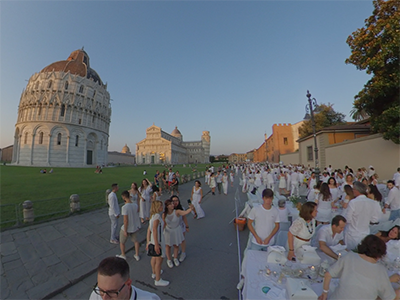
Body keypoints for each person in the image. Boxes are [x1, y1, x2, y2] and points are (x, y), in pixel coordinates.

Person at [318, 235, 400, 300]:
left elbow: (328, 274)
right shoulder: (380, 270)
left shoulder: (350, 256)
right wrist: (389, 281)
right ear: (380, 254)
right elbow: (390, 297)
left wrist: (325, 293)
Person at [89, 256, 161, 300]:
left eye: (111, 292)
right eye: (101, 290)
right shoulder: (96, 295)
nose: (104, 298)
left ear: (128, 284)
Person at [344, 181, 381, 250]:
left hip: (352, 233)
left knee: (351, 253)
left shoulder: (353, 202)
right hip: (365, 233)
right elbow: (375, 219)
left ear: (357, 191)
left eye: (353, 189)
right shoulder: (373, 203)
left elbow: (347, 219)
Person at [163, 199, 194, 268]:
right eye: (170, 204)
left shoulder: (177, 212)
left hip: (176, 230)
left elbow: (184, 213)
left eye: (172, 204)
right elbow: (164, 224)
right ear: (167, 206)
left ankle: (175, 258)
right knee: (168, 246)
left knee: (176, 245)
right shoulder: (164, 214)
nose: (172, 205)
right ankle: (169, 260)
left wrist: (190, 208)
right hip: (168, 231)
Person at [146, 200, 169, 287]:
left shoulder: (152, 216)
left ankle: (154, 272)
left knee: (154, 258)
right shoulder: (157, 216)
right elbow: (155, 229)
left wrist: (148, 241)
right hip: (158, 240)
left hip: (153, 239)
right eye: (160, 206)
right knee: (159, 259)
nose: (162, 207)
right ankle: (158, 279)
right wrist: (156, 244)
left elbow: (149, 230)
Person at [116, 191, 141, 261]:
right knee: (135, 241)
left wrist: (125, 230)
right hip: (134, 227)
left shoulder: (124, 207)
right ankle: (137, 255)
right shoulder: (135, 205)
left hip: (127, 228)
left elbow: (126, 220)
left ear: (124, 197)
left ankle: (123, 254)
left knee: (122, 242)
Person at [171, 195, 189, 262]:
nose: (175, 202)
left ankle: (183, 253)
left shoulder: (182, 209)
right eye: (173, 201)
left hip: (180, 226)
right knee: (175, 240)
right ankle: (177, 250)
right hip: (173, 228)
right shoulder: (170, 209)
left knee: (182, 240)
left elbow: (184, 218)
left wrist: (187, 226)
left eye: (176, 200)